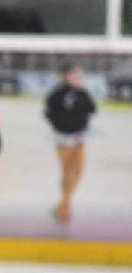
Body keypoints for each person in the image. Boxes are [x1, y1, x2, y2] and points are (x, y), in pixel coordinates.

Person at [44, 62, 96, 224]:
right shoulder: (56, 93)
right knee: (67, 171)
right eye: (75, 74)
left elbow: (92, 109)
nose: (77, 77)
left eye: (78, 74)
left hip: (80, 135)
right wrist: (62, 125)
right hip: (63, 137)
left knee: (79, 170)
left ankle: (63, 204)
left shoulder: (82, 92)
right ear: (66, 75)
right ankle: (65, 208)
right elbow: (49, 113)